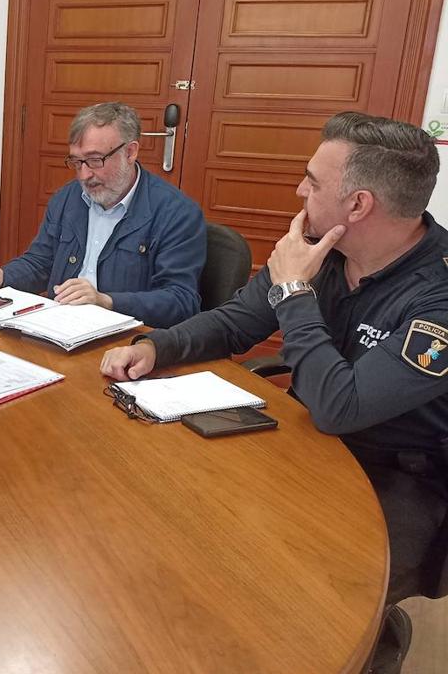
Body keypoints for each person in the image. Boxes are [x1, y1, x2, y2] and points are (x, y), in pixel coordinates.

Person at [100, 111, 448, 673]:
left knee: (296, 597)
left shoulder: (438, 297)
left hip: (404, 476)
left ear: (358, 205)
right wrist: (159, 346)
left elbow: (343, 407)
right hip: (308, 444)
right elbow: (237, 321)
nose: (299, 190)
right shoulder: (323, 248)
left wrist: (293, 292)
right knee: (187, 522)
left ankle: (367, 642)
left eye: (312, 181)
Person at [0, 102, 205, 327]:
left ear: (130, 153)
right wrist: (2, 278)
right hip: (60, 327)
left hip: (128, 342)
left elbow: (181, 300)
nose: (84, 175)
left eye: (95, 160)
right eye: (77, 162)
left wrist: (106, 301)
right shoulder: (67, 199)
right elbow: (40, 262)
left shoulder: (176, 213)